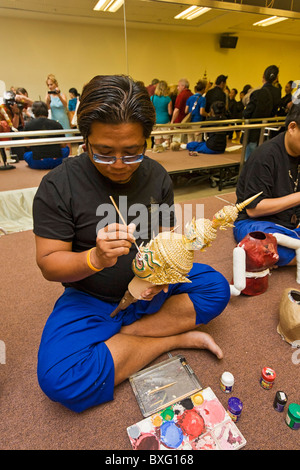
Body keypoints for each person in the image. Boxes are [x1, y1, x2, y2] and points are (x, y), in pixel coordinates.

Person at [33, 75, 230, 413]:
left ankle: (121, 337)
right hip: (91, 295)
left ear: (146, 140)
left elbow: (166, 238)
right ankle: (173, 339)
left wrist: (168, 270)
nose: (120, 165)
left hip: (152, 285)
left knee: (215, 287)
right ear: (85, 141)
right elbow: (49, 263)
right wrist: (94, 258)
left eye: (132, 152)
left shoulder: (156, 176)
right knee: (60, 379)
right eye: (104, 153)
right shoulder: (58, 186)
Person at [234, 103, 300, 267]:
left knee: (275, 247)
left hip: (292, 225)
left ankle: (290, 252)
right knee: (258, 244)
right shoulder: (265, 156)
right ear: (292, 127)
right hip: (258, 222)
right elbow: (253, 209)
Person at [243, 65, 281, 160]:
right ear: (276, 78)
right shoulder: (277, 93)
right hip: (268, 131)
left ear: (263, 77)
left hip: (253, 132)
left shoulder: (257, 93)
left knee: (250, 160)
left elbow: (247, 113)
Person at [23, 101, 70, 169]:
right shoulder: (56, 124)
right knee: (66, 149)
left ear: (34, 112)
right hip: (56, 161)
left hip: (38, 162)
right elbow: (63, 145)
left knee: (26, 154)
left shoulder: (28, 125)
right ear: (47, 111)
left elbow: (27, 145)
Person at [151, 80, 172, 148]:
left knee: (157, 139)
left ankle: (158, 154)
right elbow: (170, 112)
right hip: (165, 120)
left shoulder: (152, 98)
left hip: (156, 121)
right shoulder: (168, 99)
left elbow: (151, 110)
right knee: (166, 140)